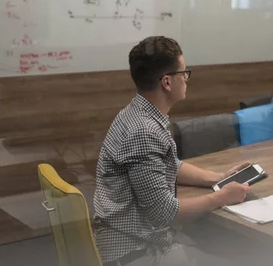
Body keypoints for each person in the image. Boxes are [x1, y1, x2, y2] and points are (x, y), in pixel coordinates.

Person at [93, 36, 251, 266]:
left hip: (137, 241)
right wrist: (221, 197)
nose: (186, 78)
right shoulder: (144, 131)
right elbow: (164, 213)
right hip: (136, 252)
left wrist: (217, 179)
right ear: (167, 82)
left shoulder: (137, 112)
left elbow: (168, 165)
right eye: (184, 73)